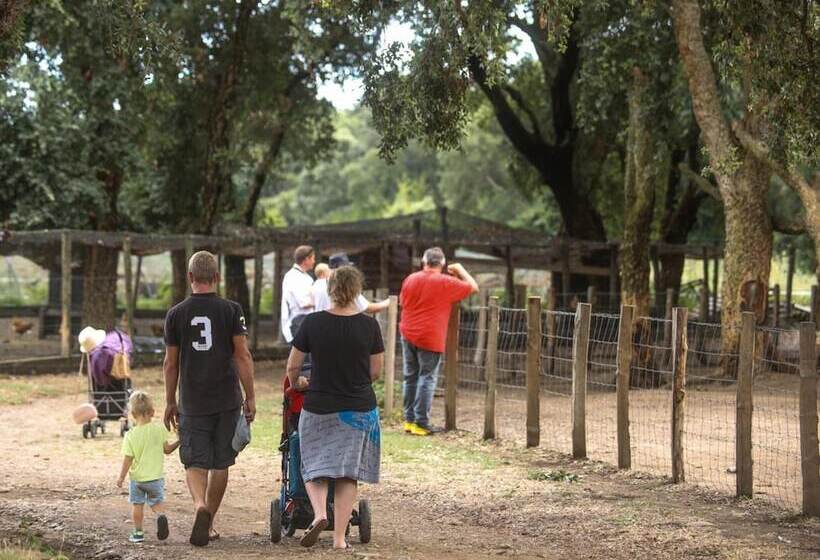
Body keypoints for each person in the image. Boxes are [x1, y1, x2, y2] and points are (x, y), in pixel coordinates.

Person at [286, 266, 384, 550]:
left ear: (330, 289)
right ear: (357, 290)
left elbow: (293, 365)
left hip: (319, 406)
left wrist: (298, 382)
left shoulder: (312, 322)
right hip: (358, 409)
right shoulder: (369, 325)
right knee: (346, 472)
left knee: (313, 464)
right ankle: (340, 539)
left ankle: (318, 514)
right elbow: (375, 372)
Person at [162, 250, 256, 547]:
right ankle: (210, 520)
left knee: (194, 461)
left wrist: (169, 401)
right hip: (226, 399)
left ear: (190, 277)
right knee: (221, 463)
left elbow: (170, 363)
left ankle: (199, 505)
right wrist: (250, 396)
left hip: (192, 400)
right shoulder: (231, 310)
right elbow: (242, 355)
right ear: (217, 277)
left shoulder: (175, 314)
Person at [399, 247, 478, 436]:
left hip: (408, 332)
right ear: (442, 264)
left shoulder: (410, 279)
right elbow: (474, 287)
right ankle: (421, 422)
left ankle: (409, 420)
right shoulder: (446, 282)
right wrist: (460, 270)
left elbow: (403, 302)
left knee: (410, 376)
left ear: (424, 262)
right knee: (427, 377)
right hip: (430, 336)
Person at [117, 391, 180, 544]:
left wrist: (121, 477)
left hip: (137, 480)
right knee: (156, 503)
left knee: (137, 505)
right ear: (152, 412)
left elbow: (128, 459)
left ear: (132, 414)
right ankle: (160, 516)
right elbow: (167, 450)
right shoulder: (159, 430)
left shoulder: (130, 435)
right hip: (155, 478)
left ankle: (138, 533)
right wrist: (180, 440)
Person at [312, 253, 390, 314]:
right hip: (337, 326)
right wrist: (389, 302)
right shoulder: (345, 285)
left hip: (319, 325)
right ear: (341, 268)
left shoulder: (317, 284)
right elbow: (368, 308)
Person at [281, 245, 316, 344]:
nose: (314, 261)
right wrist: (322, 300)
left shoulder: (306, 277)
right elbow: (304, 302)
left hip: (307, 319)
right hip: (298, 321)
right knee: (304, 358)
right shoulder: (293, 277)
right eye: (313, 258)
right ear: (306, 260)